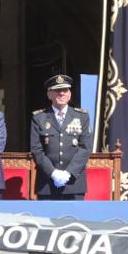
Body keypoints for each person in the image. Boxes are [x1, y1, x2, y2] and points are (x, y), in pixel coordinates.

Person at [30, 73, 91, 201]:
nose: (62, 94)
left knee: (75, 220)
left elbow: (85, 147)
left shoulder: (81, 116)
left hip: (74, 182)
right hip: (47, 183)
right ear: (49, 94)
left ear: (69, 94)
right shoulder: (39, 118)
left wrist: (69, 173)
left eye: (65, 90)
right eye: (57, 90)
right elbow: (36, 150)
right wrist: (53, 173)